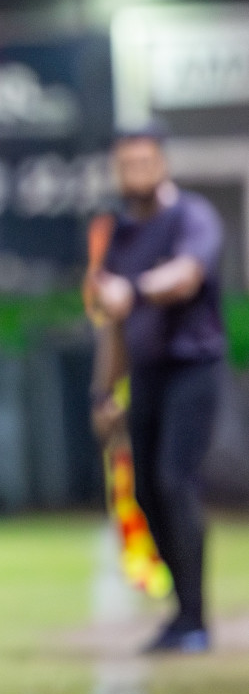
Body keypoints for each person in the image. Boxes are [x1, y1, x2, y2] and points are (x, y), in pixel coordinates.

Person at [90, 127, 225, 653]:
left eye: (145, 161)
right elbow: (114, 326)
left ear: (163, 163)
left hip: (193, 370)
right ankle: (180, 612)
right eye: (127, 163)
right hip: (145, 376)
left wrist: (135, 289)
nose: (136, 172)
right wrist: (102, 395)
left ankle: (194, 618)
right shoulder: (120, 237)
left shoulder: (193, 217)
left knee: (175, 480)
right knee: (143, 491)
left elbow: (186, 276)